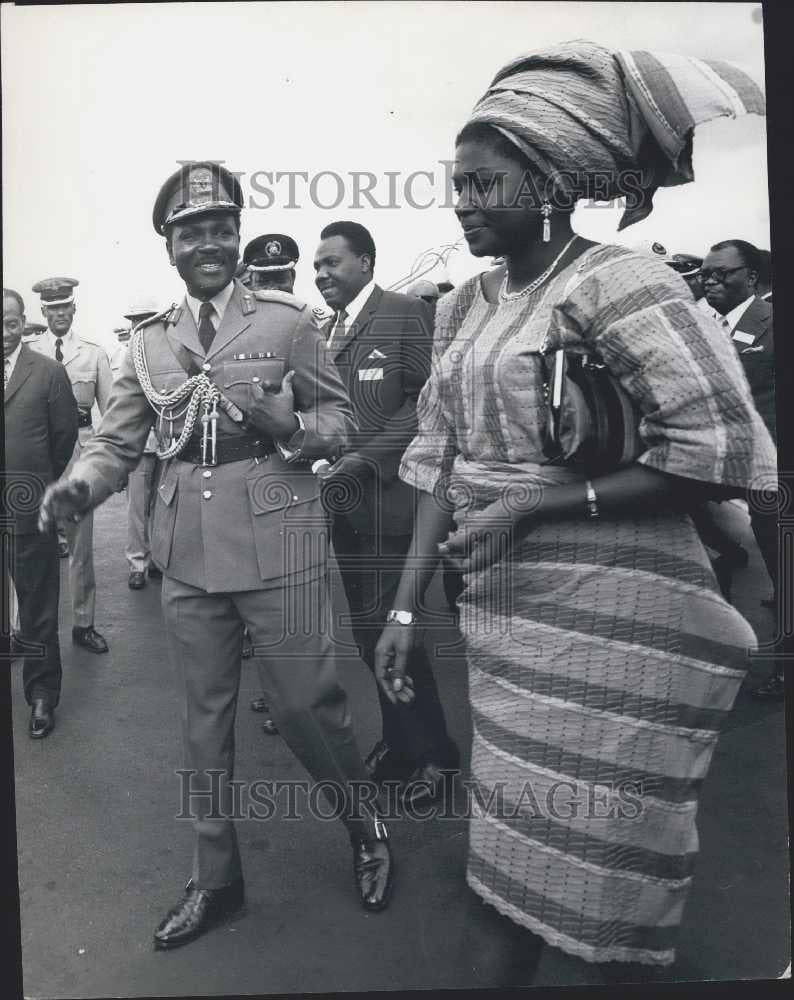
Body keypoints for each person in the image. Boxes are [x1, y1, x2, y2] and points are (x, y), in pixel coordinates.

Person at [375, 41, 773, 969]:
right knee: (509, 856)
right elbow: (439, 460)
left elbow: (720, 450)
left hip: (621, 616)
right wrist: (403, 603)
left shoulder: (624, 282)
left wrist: (539, 508)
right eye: (456, 185)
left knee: (600, 865)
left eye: (483, 184)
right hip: (508, 627)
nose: (463, 204)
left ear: (549, 181)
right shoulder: (464, 306)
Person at [39, 161, 393, 949]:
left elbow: (338, 423)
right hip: (188, 556)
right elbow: (120, 439)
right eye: (189, 231)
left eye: (218, 229)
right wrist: (80, 487)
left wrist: (288, 427)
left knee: (309, 709)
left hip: (280, 540)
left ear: (236, 238)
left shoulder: (287, 322)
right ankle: (217, 879)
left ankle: (365, 824)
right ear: (170, 246)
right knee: (204, 726)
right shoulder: (150, 340)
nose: (207, 242)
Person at [314, 220, 459, 804]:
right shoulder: (330, 331)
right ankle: (401, 742)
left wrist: (362, 462)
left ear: (366, 263)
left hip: (395, 504)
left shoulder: (403, 314)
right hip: (347, 511)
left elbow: (426, 407)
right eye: (318, 266)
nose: (321, 273)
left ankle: (436, 756)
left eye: (333, 263)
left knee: (397, 632)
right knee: (367, 632)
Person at [701, 239, 780, 697]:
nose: (710, 280)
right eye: (706, 274)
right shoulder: (704, 321)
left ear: (750, 277)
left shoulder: (772, 322)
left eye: (721, 274)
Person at [4, 287, 78, 738]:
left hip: (28, 506)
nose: (3, 331)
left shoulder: (48, 373)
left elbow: (64, 438)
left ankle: (41, 696)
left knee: (37, 608)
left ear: (23, 321)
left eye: (10, 322)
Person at [30, 277, 112, 654]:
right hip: (39, 455)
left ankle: (83, 623)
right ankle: (28, 628)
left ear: (74, 309)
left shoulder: (93, 354)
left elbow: (109, 414)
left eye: (66, 306)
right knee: (33, 545)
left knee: (81, 547)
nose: (59, 313)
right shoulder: (30, 352)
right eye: (52, 308)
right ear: (43, 312)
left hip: (79, 456)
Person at [112, 299, 161, 589]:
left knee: (164, 507)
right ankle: (137, 564)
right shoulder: (123, 356)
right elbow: (118, 406)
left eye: (145, 319)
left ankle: (158, 559)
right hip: (140, 446)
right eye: (135, 320)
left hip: (168, 444)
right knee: (137, 509)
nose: (139, 325)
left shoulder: (170, 353)